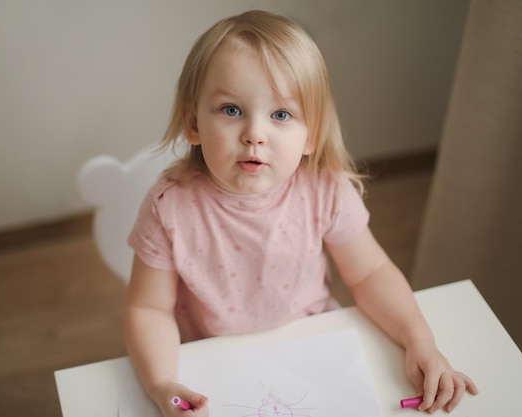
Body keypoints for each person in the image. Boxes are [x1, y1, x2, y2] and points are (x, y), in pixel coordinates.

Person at [124, 9, 478, 417]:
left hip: (314, 347)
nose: (255, 134)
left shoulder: (323, 189)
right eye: (231, 109)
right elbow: (147, 309)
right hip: (212, 361)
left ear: (312, 134)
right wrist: (162, 384)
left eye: (281, 115)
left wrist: (420, 342)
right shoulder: (169, 208)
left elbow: (370, 273)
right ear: (193, 123)